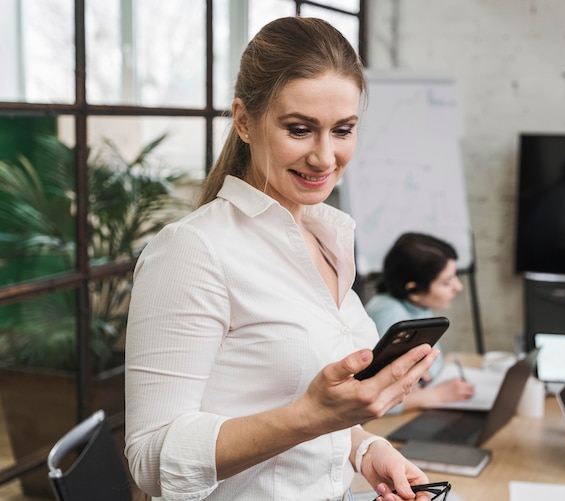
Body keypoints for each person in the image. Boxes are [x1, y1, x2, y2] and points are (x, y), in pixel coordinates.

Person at [124, 17, 439, 501]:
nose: (325, 157)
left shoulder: (326, 236)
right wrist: (313, 416)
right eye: (299, 130)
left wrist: (366, 449)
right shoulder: (193, 251)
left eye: (343, 130)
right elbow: (150, 459)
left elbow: (291, 402)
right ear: (244, 121)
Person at [365, 233, 475, 412]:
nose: (458, 287)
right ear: (414, 289)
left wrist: (421, 375)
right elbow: (369, 397)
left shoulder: (418, 304)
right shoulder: (390, 314)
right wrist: (437, 396)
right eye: (447, 282)